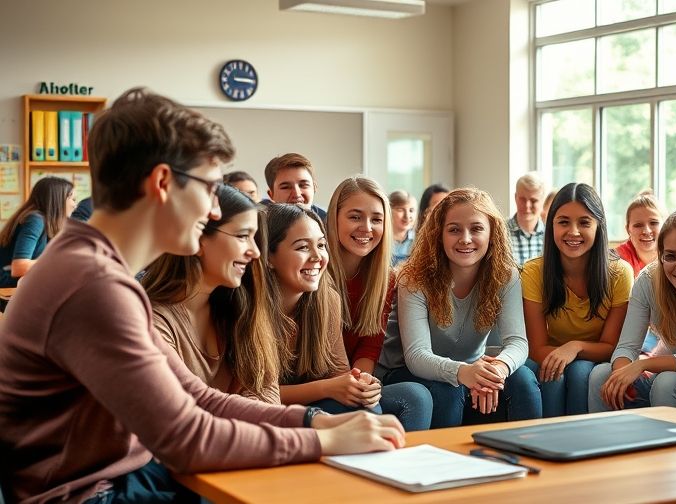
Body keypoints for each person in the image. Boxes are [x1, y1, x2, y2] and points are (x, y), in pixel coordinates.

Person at [0, 88, 402, 504]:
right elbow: (186, 437)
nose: (214, 210)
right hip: (91, 495)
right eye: (209, 188)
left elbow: (196, 396)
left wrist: (313, 421)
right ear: (162, 183)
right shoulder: (93, 285)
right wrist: (321, 441)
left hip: (132, 477)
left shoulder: (98, 268)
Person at [378, 189, 542, 428]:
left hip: (473, 371)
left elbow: (517, 342)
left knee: (524, 379)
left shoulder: (506, 276)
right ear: (439, 235)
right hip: (409, 371)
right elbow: (416, 356)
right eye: (454, 229)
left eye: (476, 229)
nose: (465, 238)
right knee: (450, 390)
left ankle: (530, 457)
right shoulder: (413, 278)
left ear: (492, 234)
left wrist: (497, 369)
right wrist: (464, 373)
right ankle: (446, 464)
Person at [141, 184, 280, 403]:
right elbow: (186, 412)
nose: (255, 252)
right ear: (197, 238)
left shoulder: (239, 305)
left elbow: (266, 391)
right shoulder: (152, 321)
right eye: (243, 236)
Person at [589, 209, 676, 412]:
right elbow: (627, 346)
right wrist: (622, 376)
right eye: (671, 256)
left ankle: (670, 443)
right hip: (667, 366)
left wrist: (643, 365)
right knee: (601, 375)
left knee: (667, 382)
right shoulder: (648, 281)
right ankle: (603, 442)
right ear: (661, 256)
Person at [326, 177, 433, 430]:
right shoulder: (315, 271)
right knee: (370, 408)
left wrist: (361, 379)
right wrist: (348, 384)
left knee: (416, 396)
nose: (366, 227)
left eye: (376, 219)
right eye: (355, 217)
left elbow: (369, 347)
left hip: (351, 379)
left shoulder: (384, 278)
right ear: (334, 218)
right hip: (317, 384)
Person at [522, 182, 633, 417]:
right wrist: (562, 355)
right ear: (550, 225)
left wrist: (575, 347)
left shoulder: (619, 273)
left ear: (599, 226)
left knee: (581, 371)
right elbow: (537, 347)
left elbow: (611, 347)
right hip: (546, 357)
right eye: (563, 222)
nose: (573, 232)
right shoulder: (533, 273)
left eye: (584, 222)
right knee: (552, 374)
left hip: (593, 359)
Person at [263, 204, 383, 416]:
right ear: (268, 257)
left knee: (409, 396)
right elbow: (253, 395)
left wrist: (359, 382)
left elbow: (339, 372)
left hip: (314, 403)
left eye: (321, 245)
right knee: (363, 410)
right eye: (302, 247)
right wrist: (327, 388)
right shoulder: (251, 308)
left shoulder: (327, 300)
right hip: (266, 412)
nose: (317, 257)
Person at [0, 176, 75, 288]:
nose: (75, 205)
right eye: (73, 199)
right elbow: (19, 267)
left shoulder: (45, 221)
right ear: (58, 200)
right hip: (6, 284)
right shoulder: (36, 220)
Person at [263, 153, 327, 220]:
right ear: (271, 195)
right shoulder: (257, 223)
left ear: (314, 188)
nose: (297, 194)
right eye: (286, 187)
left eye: (303, 185)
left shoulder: (330, 225)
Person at [616, 191, 664, 278]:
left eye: (653, 223)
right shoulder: (617, 260)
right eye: (638, 225)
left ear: (664, 226)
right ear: (628, 230)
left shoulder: (674, 257)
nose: (646, 231)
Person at [508, 173, 546, 267]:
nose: (527, 206)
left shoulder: (551, 234)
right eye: (522, 199)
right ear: (515, 198)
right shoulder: (500, 233)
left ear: (542, 201)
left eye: (533, 200)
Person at [388, 190, 417, 266]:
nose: (407, 216)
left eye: (411, 210)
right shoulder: (380, 238)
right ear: (388, 211)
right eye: (400, 210)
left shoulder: (419, 240)